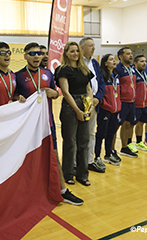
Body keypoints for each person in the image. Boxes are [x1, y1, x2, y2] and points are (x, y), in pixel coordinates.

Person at [15, 42, 83, 205]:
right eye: (32, 53)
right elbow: (14, 96)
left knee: (54, 156)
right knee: (26, 159)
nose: (36, 56)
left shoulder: (47, 73)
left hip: (47, 124)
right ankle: (28, 192)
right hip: (27, 126)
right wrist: (17, 98)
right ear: (25, 56)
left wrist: (54, 93)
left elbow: (55, 93)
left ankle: (63, 190)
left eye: (39, 53)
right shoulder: (17, 76)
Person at [55, 41, 94, 187]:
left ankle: (82, 174)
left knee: (84, 141)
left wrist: (89, 107)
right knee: (70, 142)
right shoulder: (62, 70)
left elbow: (88, 88)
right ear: (66, 53)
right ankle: (68, 173)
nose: (75, 54)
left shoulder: (83, 69)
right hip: (70, 106)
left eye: (77, 51)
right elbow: (65, 92)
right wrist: (77, 110)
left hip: (85, 103)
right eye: (72, 51)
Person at [80, 37, 106, 173]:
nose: (93, 48)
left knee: (91, 133)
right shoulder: (77, 62)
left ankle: (89, 161)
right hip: (81, 102)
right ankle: (76, 163)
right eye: (90, 45)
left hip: (94, 103)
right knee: (79, 135)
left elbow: (101, 82)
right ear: (82, 47)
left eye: (94, 45)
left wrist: (97, 98)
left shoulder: (95, 63)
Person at [95, 54, 122, 166]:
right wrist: (104, 104)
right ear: (105, 63)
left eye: (114, 59)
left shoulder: (116, 76)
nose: (114, 61)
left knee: (111, 133)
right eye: (111, 59)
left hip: (115, 110)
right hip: (105, 110)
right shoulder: (102, 76)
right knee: (101, 134)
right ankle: (96, 156)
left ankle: (108, 154)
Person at [114, 47, 138, 158]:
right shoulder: (117, 69)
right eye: (128, 54)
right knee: (116, 126)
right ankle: (111, 149)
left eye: (131, 53)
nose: (131, 56)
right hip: (122, 102)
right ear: (121, 56)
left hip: (131, 102)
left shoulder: (132, 68)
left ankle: (124, 148)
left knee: (127, 125)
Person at [132, 55, 147, 151]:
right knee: (131, 125)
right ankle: (128, 143)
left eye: (145, 61)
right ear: (135, 63)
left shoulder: (145, 74)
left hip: (145, 104)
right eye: (141, 61)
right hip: (136, 104)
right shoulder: (133, 74)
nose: (144, 63)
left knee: (141, 124)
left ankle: (139, 142)